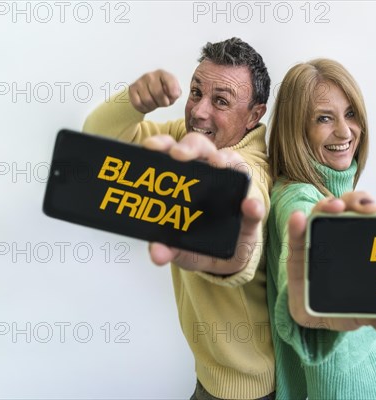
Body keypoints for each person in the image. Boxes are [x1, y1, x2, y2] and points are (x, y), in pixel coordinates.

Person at [83, 37, 275, 400]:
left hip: (247, 390)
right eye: (196, 92)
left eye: (221, 101)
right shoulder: (183, 137)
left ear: (254, 114)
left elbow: (242, 240)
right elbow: (97, 145)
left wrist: (232, 240)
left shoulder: (251, 170)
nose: (199, 112)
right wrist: (132, 103)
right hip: (211, 376)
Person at [266, 58, 376, 399]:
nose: (345, 131)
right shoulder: (296, 200)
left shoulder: (337, 185)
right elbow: (303, 288)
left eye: (351, 113)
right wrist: (311, 308)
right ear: (296, 130)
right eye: (324, 118)